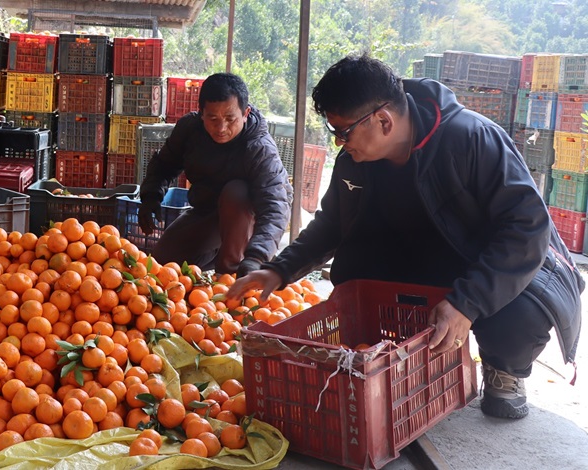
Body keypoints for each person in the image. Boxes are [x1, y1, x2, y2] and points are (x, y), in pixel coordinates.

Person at [227, 54, 584, 420]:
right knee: (354, 276)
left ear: (383, 121)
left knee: (521, 313)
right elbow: (333, 223)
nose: (339, 144)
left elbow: (527, 228)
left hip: (493, 263)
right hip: (427, 261)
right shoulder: (355, 161)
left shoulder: (471, 138)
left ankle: (505, 369)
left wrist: (467, 303)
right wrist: (279, 270)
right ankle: (398, 353)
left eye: (344, 133)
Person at [138, 73, 292, 275]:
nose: (221, 128)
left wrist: (257, 256)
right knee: (163, 263)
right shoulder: (190, 129)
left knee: (237, 192)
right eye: (213, 118)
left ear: (245, 113)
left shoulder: (259, 149)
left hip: (250, 219)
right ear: (201, 112)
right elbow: (164, 163)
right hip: (209, 211)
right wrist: (151, 196)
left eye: (230, 119)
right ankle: (219, 255)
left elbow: (275, 208)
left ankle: (231, 271)